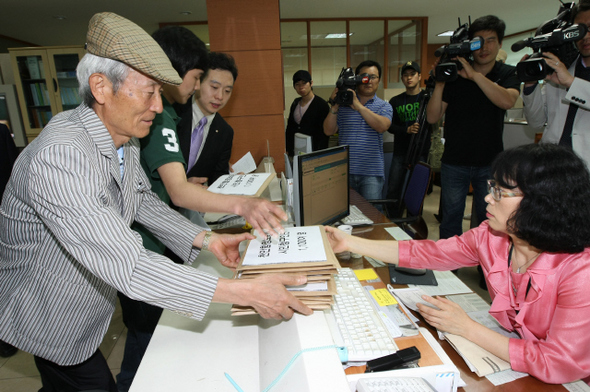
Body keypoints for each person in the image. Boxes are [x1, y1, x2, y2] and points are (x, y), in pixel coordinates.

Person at [0, 13, 311, 391]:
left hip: (84, 303)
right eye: (148, 92)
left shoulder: (122, 138)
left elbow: (143, 201)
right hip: (50, 311)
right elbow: (127, 264)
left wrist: (208, 240)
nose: (158, 105)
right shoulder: (61, 156)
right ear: (100, 87)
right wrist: (245, 292)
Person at [326, 143, 590, 384]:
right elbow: (430, 253)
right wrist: (350, 243)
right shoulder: (493, 236)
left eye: (499, 192)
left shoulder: (580, 270)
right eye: (492, 187)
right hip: (523, 362)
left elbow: (559, 363)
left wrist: (466, 328)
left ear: (541, 202)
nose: (487, 198)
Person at [426, 15, 521, 241]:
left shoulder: (507, 73)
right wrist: (440, 81)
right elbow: (432, 117)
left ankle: (485, 272)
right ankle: (448, 270)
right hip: (454, 161)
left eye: (490, 40)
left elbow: (507, 101)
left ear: (499, 44)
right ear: (471, 44)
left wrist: (475, 76)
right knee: (450, 218)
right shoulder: (455, 75)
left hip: (489, 162)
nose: (484, 47)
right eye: (478, 41)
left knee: (489, 221)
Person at [521, 0, 590, 170]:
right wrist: (531, 85)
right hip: (553, 168)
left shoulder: (565, 76)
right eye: (579, 30)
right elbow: (536, 122)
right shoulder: (563, 68)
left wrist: (571, 83)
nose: (585, 36)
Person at [324, 60, 393, 201]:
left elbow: (382, 126)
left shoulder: (384, 106)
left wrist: (358, 106)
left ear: (379, 80)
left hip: (371, 174)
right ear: (356, 80)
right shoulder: (343, 106)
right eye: (364, 77)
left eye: (373, 77)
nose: (368, 81)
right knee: (345, 215)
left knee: (372, 216)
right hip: (344, 172)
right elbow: (328, 131)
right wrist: (335, 105)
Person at [175, 51, 238, 186]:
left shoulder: (225, 132)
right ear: (198, 82)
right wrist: (183, 186)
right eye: (214, 87)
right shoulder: (174, 112)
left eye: (227, 91)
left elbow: (217, 177)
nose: (220, 96)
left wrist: (233, 182)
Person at [386, 61, 431, 205]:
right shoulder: (395, 101)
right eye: (405, 75)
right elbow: (389, 126)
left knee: (417, 189)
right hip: (400, 152)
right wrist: (406, 130)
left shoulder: (427, 98)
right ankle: (392, 217)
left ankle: (413, 218)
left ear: (419, 76)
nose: (409, 78)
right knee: (394, 187)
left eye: (412, 74)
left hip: (421, 151)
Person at [285, 70, 330, 156]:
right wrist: (288, 148)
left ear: (311, 83)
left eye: (304, 83)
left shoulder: (321, 105)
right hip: (296, 152)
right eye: (297, 85)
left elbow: (323, 134)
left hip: (315, 153)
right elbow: (290, 129)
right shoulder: (295, 103)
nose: (301, 87)